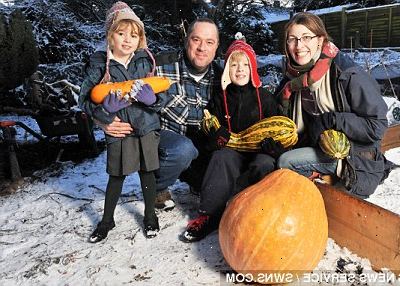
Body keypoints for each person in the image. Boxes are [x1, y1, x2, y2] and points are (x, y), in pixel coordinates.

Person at [94, 18, 221, 211]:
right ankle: (156, 187)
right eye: (196, 39)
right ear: (187, 40)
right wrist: (104, 119)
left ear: (216, 46)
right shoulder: (157, 65)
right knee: (183, 149)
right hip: (163, 140)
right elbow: (113, 89)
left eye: (209, 42)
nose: (202, 47)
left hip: (201, 144)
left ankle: (196, 179)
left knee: (213, 171)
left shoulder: (222, 76)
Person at [276, 12, 396, 198]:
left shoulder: (347, 73)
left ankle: (326, 177)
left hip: (354, 156)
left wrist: (330, 120)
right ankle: (319, 175)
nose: (299, 46)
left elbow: (377, 126)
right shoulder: (292, 78)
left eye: (306, 37)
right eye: (292, 39)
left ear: (320, 40)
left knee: (286, 162)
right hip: (318, 146)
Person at [181, 38, 281, 242]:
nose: (240, 69)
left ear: (253, 68)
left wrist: (274, 148)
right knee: (220, 157)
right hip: (232, 152)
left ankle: (258, 214)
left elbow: (279, 130)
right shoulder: (219, 99)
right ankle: (210, 215)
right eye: (234, 64)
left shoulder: (266, 98)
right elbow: (205, 139)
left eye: (245, 64)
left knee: (265, 164)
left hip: (259, 154)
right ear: (227, 70)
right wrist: (214, 139)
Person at [79, 1, 161, 242]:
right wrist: (104, 112)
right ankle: (107, 220)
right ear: (109, 36)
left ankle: (149, 215)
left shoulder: (146, 61)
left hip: (146, 125)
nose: (127, 40)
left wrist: (152, 100)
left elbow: (162, 94)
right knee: (116, 175)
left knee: (148, 173)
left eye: (134, 35)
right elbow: (84, 99)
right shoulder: (99, 65)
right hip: (119, 129)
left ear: (140, 38)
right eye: (121, 33)